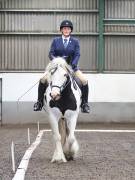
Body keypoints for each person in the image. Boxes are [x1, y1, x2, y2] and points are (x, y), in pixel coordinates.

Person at [33, 20, 90, 113]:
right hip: (56, 68)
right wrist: (56, 62)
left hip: (71, 68)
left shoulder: (75, 41)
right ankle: (39, 102)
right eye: (64, 28)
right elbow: (51, 53)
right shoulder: (56, 41)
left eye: (68, 28)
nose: (66, 30)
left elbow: (77, 54)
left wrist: (73, 65)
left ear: (70, 30)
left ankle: (84, 104)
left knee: (84, 81)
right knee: (42, 79)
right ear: (61, 30)